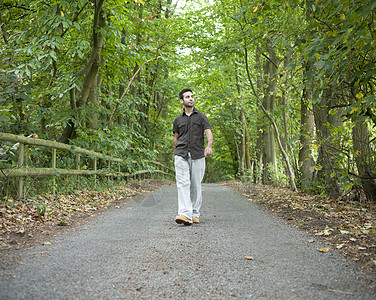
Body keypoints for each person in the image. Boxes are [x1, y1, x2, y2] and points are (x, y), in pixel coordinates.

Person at [173, 88, 213, 226]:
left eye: (192, 96)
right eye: (187, 97)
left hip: (197, 155)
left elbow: (208, 132)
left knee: (195, 185)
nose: (191, 98)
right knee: (183, 184)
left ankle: (195, 213)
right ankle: (185, 213)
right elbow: (176, 138)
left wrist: (209, 146)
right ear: (181, 101)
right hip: (181, 154)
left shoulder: (201, 117)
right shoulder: (177, 119)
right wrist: (175, 153)